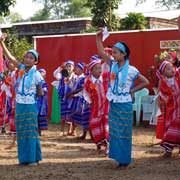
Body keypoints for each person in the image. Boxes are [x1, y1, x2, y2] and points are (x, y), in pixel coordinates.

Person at [96, 29, 149, 168]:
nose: (112, 55)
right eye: (112, 52)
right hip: (114, 104)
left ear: (123, 54)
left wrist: (132, 90)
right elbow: (101, 52)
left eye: (115, 52)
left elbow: (145, 82)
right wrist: (97, 37)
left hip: (125, 104)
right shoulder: (112, 65)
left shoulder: (132, 70)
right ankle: (118, 158)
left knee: (124, 132)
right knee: (115, 131)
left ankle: (124, 160)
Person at [0, 34, 43, 165]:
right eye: (26, 57)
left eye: (31, 58)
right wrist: (2, 43)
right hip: (19, 104)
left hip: (30, 105)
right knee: (21, 131)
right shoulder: (21, 70)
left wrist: (31, 97)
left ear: (35, 62)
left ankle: (33, 159)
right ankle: (23, 159)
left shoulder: (37, 74)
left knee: (31, 130)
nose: (28, 59)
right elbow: (11, 58)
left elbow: (40, 92)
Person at [83, 57, 109, 156]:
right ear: (91, 70)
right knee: (95, 125)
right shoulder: (88, 81)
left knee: (106, 126)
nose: (99, 70)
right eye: (97, 68)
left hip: (106, 106)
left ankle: (107, 147)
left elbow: (114, 75)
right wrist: (89, 101)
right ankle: (98, 146)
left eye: (100, 68)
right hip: (95, 108)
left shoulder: (106, 76)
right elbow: (86, 92)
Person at [156, 60, 180, 157]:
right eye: (168, 69)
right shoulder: (164, 83)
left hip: (179, 108)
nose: (172, 70)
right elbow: (163, 96)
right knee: (170, 129)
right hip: (171, 110)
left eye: (172, 67)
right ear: (163, 72)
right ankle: (168, 150)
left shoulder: (178, 77)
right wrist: (170, 96)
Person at [67, 62, 90, 139]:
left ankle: (85, 133)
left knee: (83, 116)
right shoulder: (76, 78)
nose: (76, 70)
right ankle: (73, 131)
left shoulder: (83, 78)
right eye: (76, 68)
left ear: (81, 70)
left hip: (80, 99)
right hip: (74, 99)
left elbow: (81, 89)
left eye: (78, 68)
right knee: (73, 115)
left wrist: (73, 94)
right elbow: (72, 86)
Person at [37, 68, 48, 137]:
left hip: (42, 102)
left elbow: (44, 92)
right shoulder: (35, 82)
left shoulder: (44, 83)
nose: (41, 74)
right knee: (36, 115)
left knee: (40, 116)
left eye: (42, 73)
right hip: (36, 101)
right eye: (40, 72)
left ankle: (39, 130)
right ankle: (36, 130)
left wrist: (38, 92)